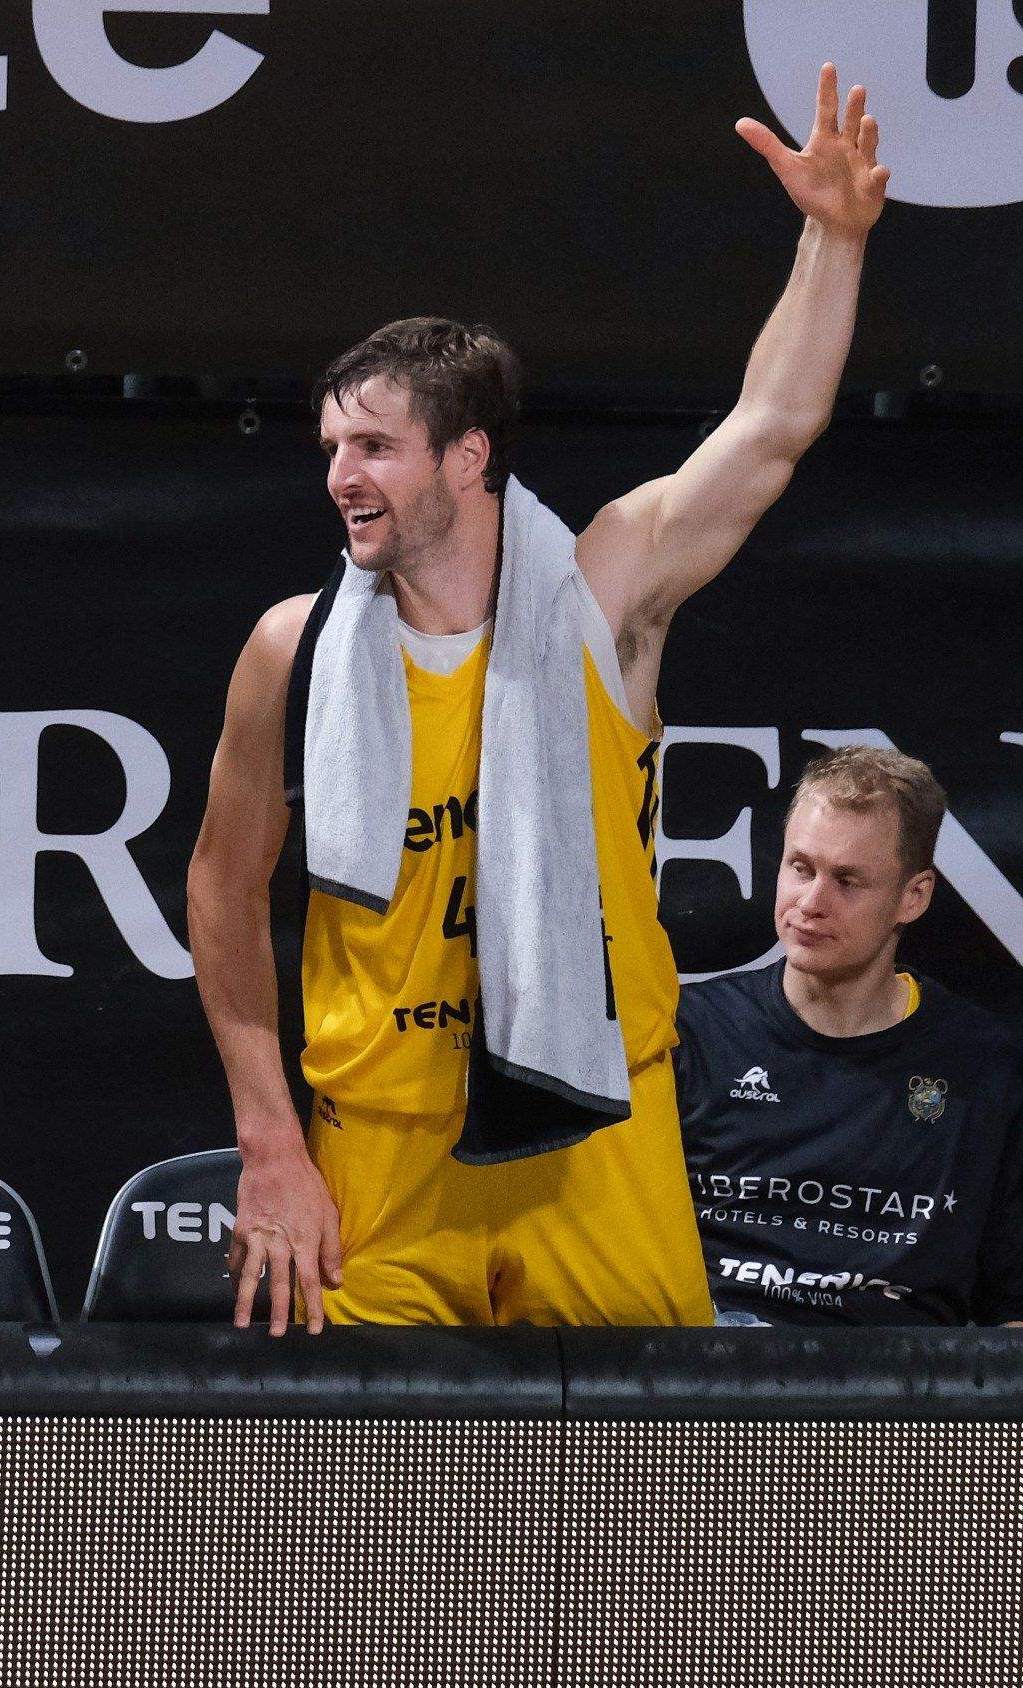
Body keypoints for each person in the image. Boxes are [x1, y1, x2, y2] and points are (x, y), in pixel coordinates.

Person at [188, 64, 889, 1332]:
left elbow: (773, 425)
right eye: (332, 447)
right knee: (343, 1524)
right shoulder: (291, 647)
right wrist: (268, 1142)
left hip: (593, 1126)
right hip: (379, 1157)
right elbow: (222, 888)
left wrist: (831, 239)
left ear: (467, 456)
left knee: (636, 1514)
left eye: (374, 446)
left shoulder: (599, 588)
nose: (338, 472)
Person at [677, 748, 1023, 1325]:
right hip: (704, 1386)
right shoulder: (694, 1033)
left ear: (913, 897)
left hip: (896, 1403)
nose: (810, 904)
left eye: (848, 880)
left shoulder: (986, 1067)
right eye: (800, 867)